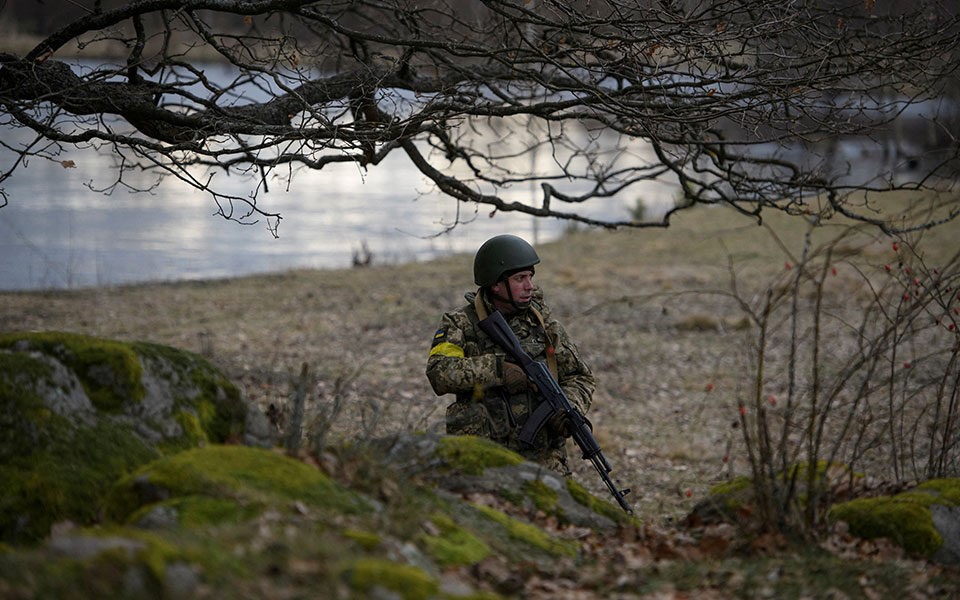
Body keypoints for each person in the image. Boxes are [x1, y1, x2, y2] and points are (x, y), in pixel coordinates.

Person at [425, 234, 596, 475]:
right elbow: (439, 372)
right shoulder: (460, 324)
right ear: (496, 284)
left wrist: (568, 408)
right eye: (520, 279)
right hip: (482, 459)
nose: (530, 286)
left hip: (544, 463)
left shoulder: (544, 326)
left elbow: (580, 376)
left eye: (530, 277)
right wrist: (498, 371)